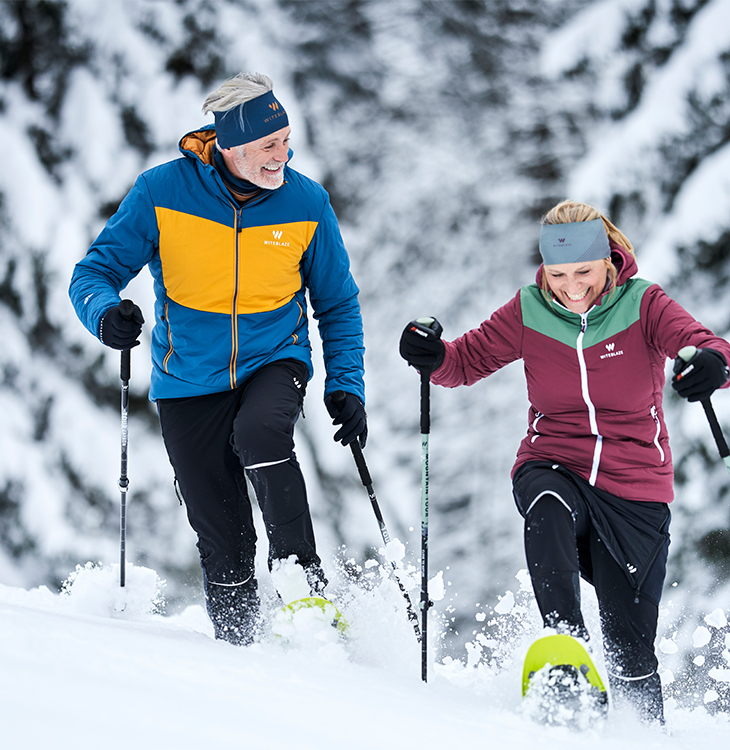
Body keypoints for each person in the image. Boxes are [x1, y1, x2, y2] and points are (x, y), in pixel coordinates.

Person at [399, 200, 730, 723]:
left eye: (583, 272)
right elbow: (463, 361)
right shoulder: (530, 309)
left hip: (635, 488)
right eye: (558, 274)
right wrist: (432, 355)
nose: (572, 287)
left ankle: (641, 734)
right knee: (548, 501)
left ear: (609, 261)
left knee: (631, 652)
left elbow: (704, 345)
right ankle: (564, 649)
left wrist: (711, 364)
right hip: (554, 459)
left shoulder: (644, 305)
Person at [69, 72, 367, 646]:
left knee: (261, 434)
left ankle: (305, 591)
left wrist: (346, 383)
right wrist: (106, 314)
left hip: (274, 359)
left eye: (285, 140)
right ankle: (241, 648)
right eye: (267, 146)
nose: (282, 156)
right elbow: (94, 272)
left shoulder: (306, 202)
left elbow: (337, 302)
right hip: (186, 380)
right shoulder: (162, 192)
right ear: (227, 145)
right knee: (221, 535)